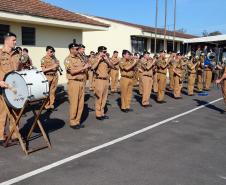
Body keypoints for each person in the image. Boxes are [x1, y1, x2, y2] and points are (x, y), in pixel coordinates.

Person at [0, 32, 20, 145]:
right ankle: (1, 136)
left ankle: (15, 134)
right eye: (13, 40)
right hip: (3, 87)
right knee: (2, 113)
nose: (15, 42)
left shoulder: (17, 53)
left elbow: (20, 68)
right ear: (7, 40)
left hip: (15, 87)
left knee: (15, 111)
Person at [64, 43, 90, 129]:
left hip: (81, 82)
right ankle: (72, 122)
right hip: (73, 83)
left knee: (81, 103)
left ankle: (77, 121)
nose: (77, 50)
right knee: (74, 103)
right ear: (71, 49)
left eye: (78, 49)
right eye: (76, 49)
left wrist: (87, 66)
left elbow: (86, 66)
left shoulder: (80, 58)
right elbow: (72, 72)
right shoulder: (68, 60)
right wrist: (83, 68)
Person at [91, 46, 114, 120]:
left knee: (104, 98)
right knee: (99, 98)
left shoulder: (106, 58)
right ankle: (98, 114)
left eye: (105, 52)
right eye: (104, 52)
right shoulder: (95, 58)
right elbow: (92, 68)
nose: (105, 53)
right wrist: (99, 60)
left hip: (106, 80)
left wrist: (107, 59)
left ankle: (102, 113)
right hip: (99, 80)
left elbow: (112, 66)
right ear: (100, 52)